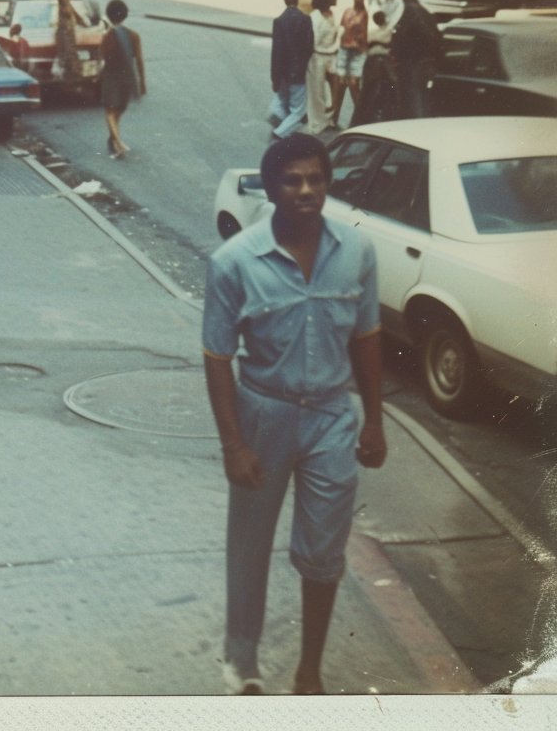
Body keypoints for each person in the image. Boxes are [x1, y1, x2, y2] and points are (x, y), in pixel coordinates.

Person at [202, 134, 387, 696]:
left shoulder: (357, 251)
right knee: (251, 541)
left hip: (332, 416)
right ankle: (242, 662)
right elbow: (216, 357)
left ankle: (310, 670)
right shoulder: (234, 262)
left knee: (324, 549)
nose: (307, 190)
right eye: (293, 180)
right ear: (273, 188)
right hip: (265, 413)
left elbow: (368, 337)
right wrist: (234, 445)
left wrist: (374, 420)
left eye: (317, 179)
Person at [390, 0, 442, 119]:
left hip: (411, 63)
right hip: (426, 63)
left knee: (413, 103)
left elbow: (399, 37)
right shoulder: (425, 11)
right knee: (422, 100)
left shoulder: (406, 11)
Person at [99, 0, 145, 159]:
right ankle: (115, 140)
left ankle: (116, 141)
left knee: (110, 110)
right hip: (127, 76)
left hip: (111, 75)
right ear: (125, 15)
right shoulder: (134, 35)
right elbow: (139, 59)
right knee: (120, 108)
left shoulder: (107, 37)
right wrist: (142, 81)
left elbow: (102, 57)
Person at [267, 0, 312, 141]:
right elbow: (309, 47)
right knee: (299, 111)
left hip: (283, 73)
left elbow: (276, 52)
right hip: (298, 73)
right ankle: (280, 132)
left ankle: (284, 130)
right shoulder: (305, 20)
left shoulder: (279, 21)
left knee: (285, 103)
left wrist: (275, 78)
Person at [331, 0, 369, 128]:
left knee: (354, 85)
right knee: (340, 84)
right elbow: (341, 28)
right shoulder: (347, 11)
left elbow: (363, 34)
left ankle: (360, 119)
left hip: (357, 51)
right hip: (344, 50)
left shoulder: (363, 14)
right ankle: (334, 119)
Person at [352, 10, 397, 126]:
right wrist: (380, 43)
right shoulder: (372, 32)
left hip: (385, 61)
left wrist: (377, 42)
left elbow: (388, 44)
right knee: (371, 87)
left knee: (391, 85)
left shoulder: (389, 30)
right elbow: (369, 44)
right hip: (373, 61)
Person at [305, 0, 338, 135]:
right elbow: (312, 42)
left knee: (332, 93)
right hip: (317, 58)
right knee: (317, 93)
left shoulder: (331, 14)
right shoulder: (315, 17)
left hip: (331, 58)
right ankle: (318, 123)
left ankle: (327, 119)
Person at [49, 0, 84, 86]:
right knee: (67, 49)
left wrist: (78, 17)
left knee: (66, 50)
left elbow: (67, 4)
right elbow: (66, 5)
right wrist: (76, 18)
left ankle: (68, 76)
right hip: (63, 22)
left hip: (62, 21)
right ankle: (70, 77)